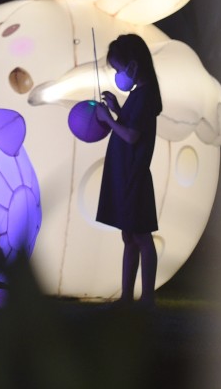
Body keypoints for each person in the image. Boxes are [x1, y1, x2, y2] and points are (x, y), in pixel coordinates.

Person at [94, 33, 162, 308]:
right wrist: (117, 109)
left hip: (134, 174)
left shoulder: (145, 95)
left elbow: (133, 136)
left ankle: (147, 299)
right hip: (125, 173)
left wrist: (108, 119)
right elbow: (132, 124)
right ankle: (126, 297)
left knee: (141, 236)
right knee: (129, 236)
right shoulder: (138, 95)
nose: (117, 75)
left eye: (118, 68)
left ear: (133, 65)